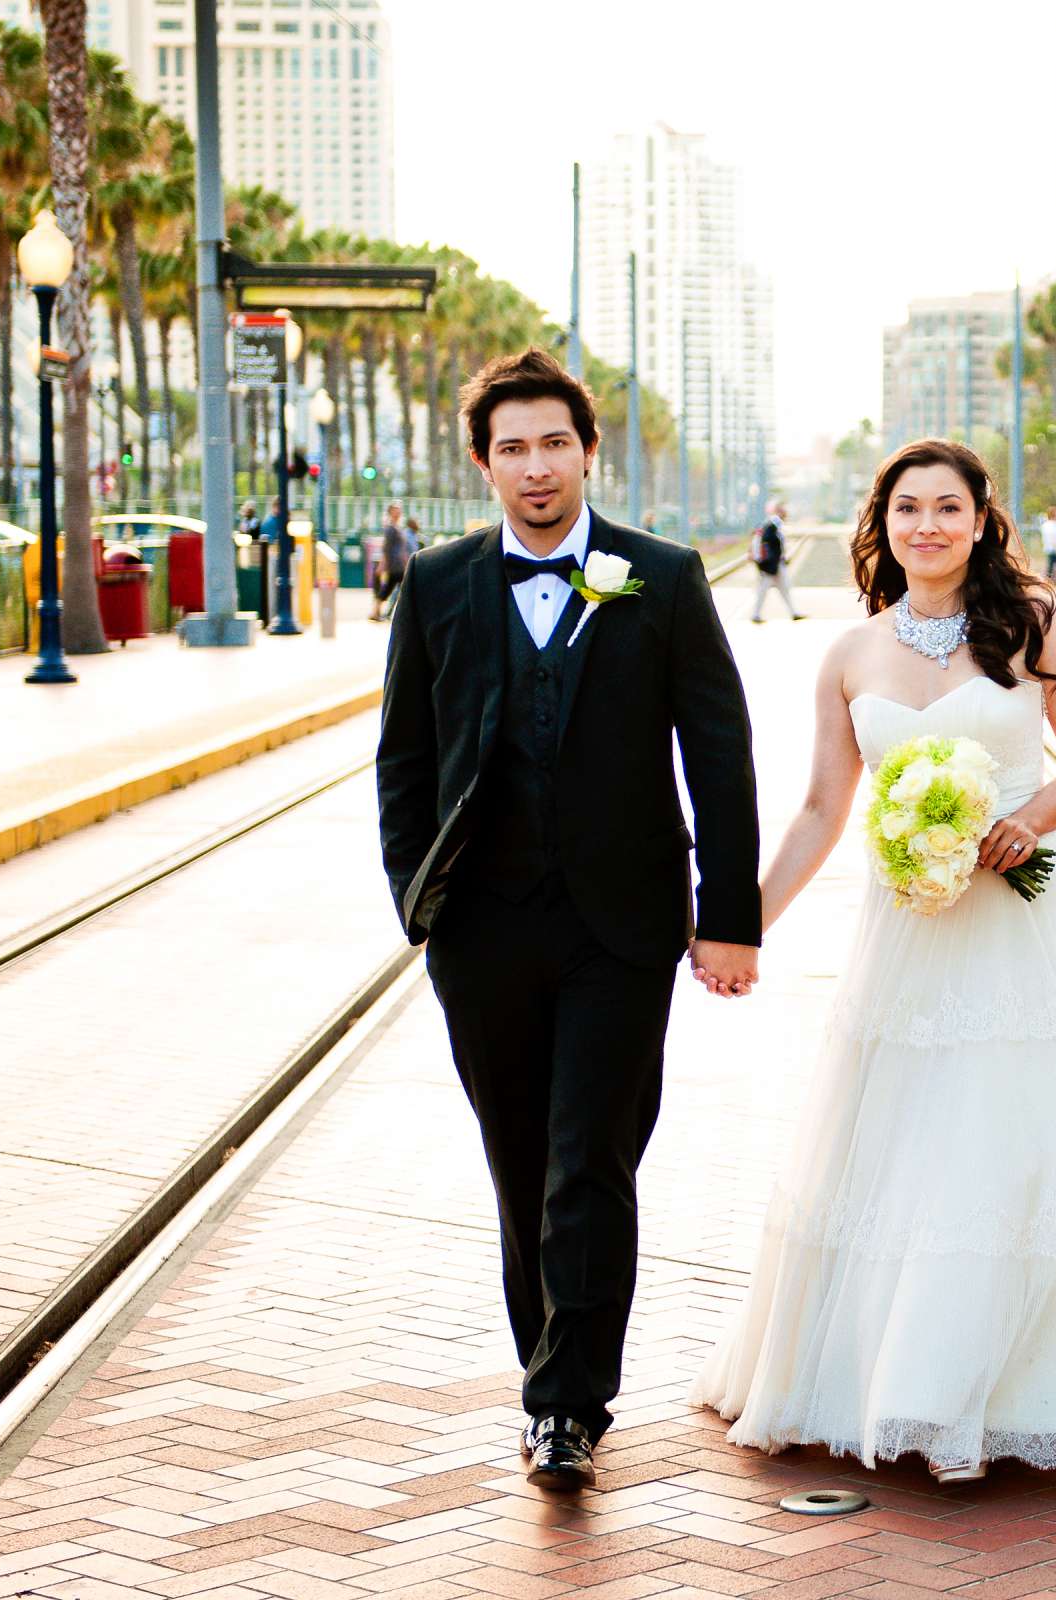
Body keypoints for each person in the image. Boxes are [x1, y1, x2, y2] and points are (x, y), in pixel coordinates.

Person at [689, 437, 1056, 1482]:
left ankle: (1041, 1377)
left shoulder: (1033, 621)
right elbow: (824, 807)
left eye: (948, 507)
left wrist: (1029, 819)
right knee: (909, 1132)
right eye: (908, 508)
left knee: (1025, 1127)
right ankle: (899, 1370)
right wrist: (742, 919)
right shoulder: (851, 656)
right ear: (884, 523)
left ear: (980, 517)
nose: (928, 527)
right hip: (910, 924)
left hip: (1025, 917)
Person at [375, 348, 762, 1492]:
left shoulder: (664, 576)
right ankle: (549, 1365)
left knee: (588, 1161)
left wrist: (727, 914)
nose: (535, 467)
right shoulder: (438, 584)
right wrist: (419, 894)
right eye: (512, 448)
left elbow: (721, 754)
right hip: (483, 931)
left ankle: (565, 1406)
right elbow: (403, 755)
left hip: (621, 928)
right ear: (484, 464)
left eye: (555, 443)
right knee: (517, 1166)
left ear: (589, 451)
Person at [751, 499, 803, 623]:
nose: (786, 513)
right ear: (779, 511)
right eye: (784, 511)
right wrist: (763, 559)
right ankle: (756, 614)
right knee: (765, 588)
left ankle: (794, 612)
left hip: (776, 564)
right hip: (772, 564)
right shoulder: (773, 525)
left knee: (784, 588)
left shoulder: (772, 525)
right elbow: (767, 542)